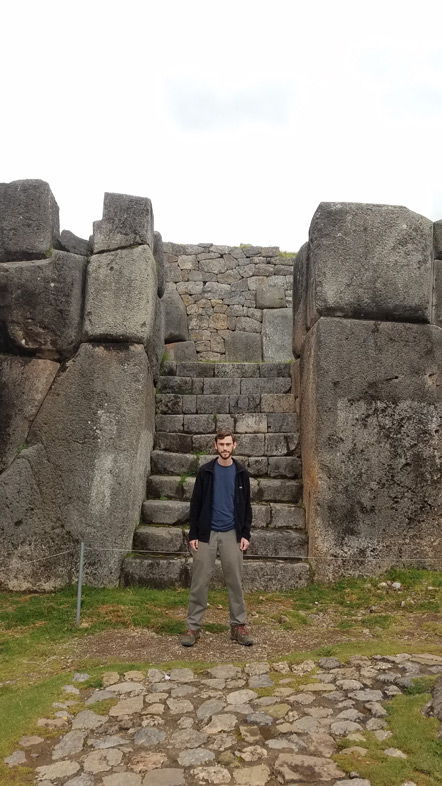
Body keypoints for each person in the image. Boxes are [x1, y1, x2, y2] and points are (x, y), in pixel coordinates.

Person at [181, 429, 254, 647]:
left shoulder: (241, 473)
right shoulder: (205, 472)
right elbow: (195, 504)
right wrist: (193, 533)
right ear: (215, 446)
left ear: (234, 446)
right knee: (199, 582)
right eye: (221, 444)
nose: (224, 448)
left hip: (232, 533)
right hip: (206, 534)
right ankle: (193, 628)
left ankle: (238, 626)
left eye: (228, 444)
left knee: (235, 582)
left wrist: (245, 534)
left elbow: (247, 506)